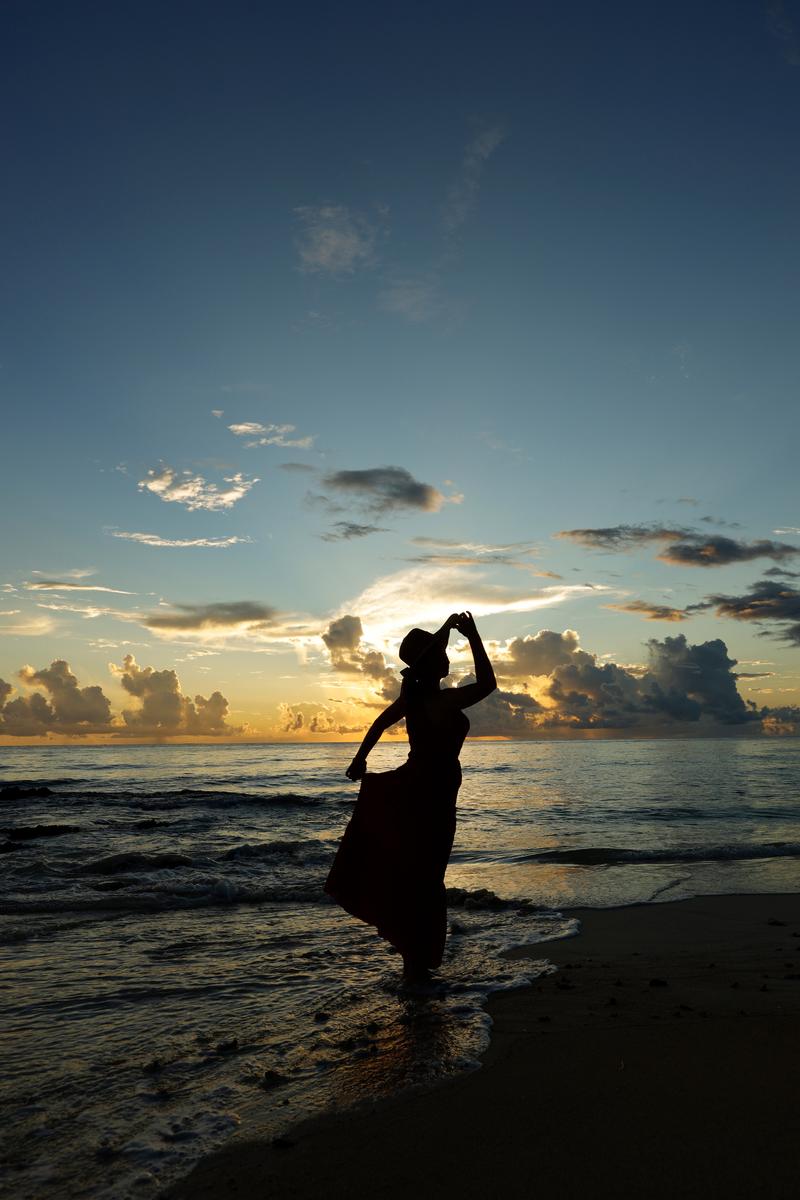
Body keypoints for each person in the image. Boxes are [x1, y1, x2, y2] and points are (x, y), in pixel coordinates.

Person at [324, 611, 497, 983]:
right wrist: (474, 635)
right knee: (426, 879)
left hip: (427, 790)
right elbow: (488, 683)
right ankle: (417, 971)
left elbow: (378, 723)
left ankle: (415, 967)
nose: (448, 655)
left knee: (421, 877)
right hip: (428, 795)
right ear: (432, 663)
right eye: (441, 652)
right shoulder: (440, 702)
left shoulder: (416, 700)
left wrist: (360, 758)